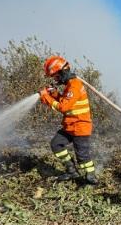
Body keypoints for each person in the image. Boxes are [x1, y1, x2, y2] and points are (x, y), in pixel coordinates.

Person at [39, 55, 98, 185]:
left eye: (56, 76)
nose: (56, 79)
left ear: (62, 72)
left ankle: (91, 179)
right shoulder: (70, 85)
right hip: (70, 126)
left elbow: (64, 107)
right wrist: (53, 93)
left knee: (83, 157)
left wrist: (46, 98)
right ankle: (71, 171)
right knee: (56, 144)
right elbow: (65, 100)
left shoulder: (74, 86)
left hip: (80, 127)